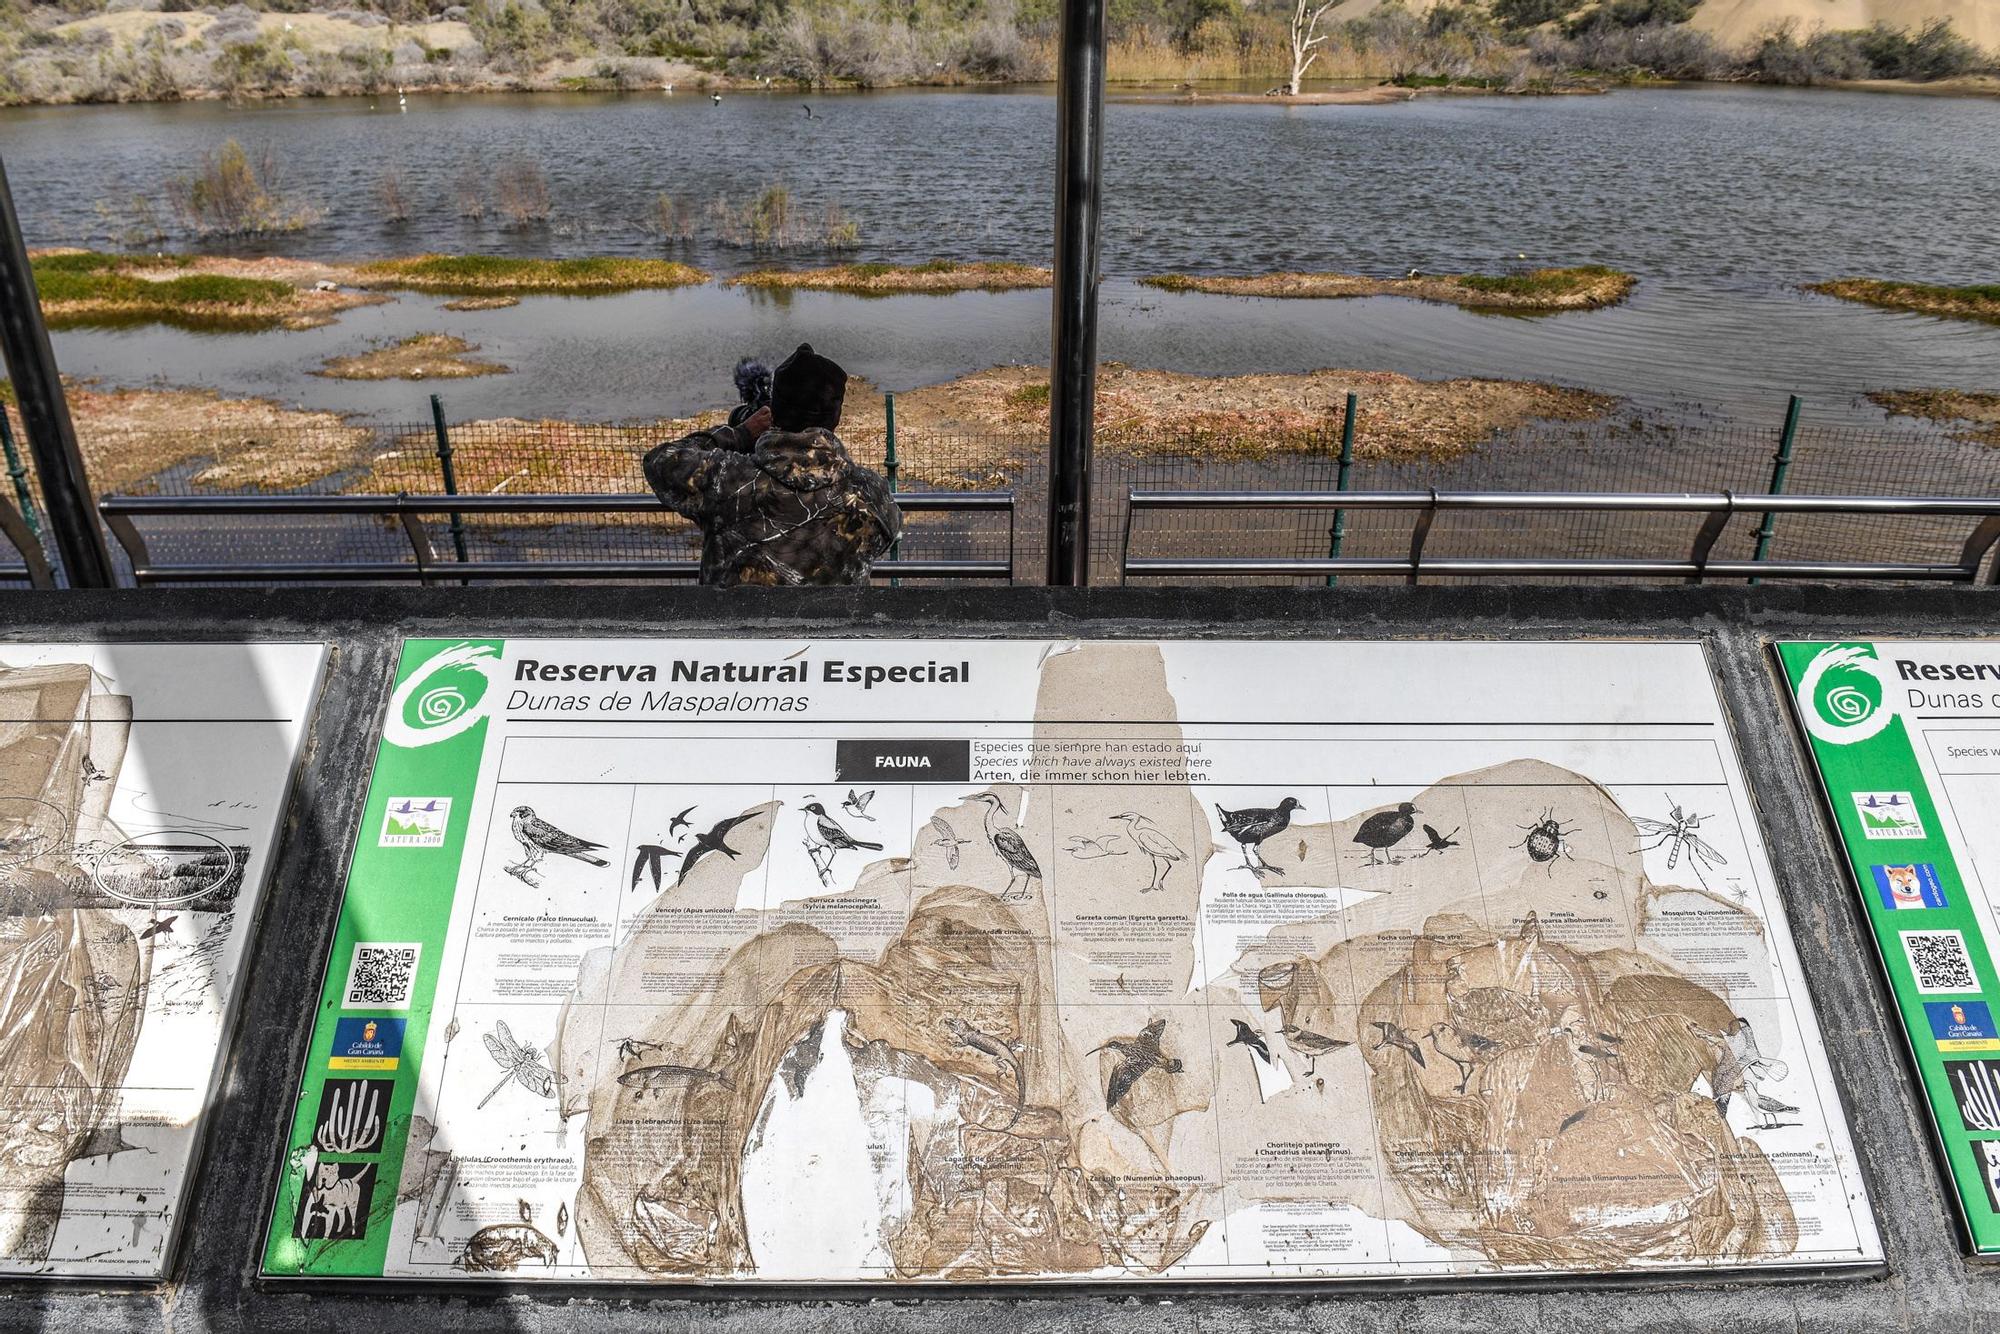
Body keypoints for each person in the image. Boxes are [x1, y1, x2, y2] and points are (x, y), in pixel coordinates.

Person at [644, 344, 901, 587]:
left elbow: (660, 461)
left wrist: (741, 434)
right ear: (836, 418)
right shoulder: (869, 491)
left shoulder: (725, 478)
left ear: (773, 412)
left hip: (732, 629)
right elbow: (886, 536)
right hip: (833, 631)